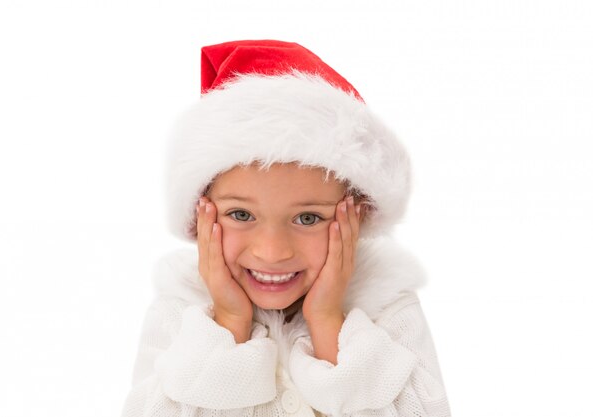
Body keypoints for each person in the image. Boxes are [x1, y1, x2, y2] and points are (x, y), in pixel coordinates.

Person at [121, 40, 450, 417]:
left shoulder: (389, 306)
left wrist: (329, 323)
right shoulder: (181, 311)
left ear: (356, 217)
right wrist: (228, 322)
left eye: (307, 218)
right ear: (201, 215)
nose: (272, 251)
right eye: (241, 215)